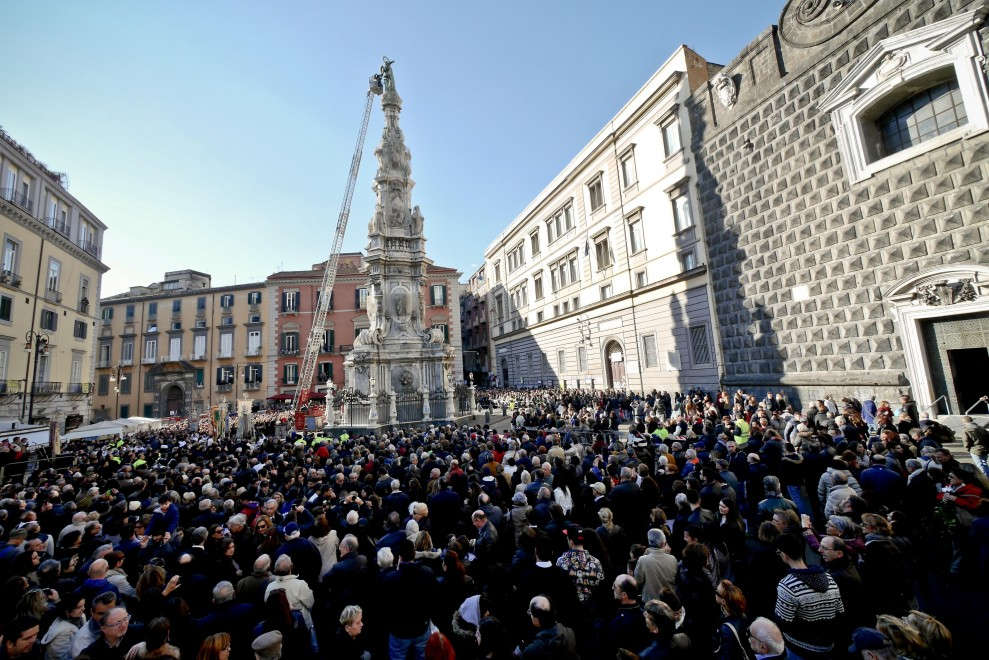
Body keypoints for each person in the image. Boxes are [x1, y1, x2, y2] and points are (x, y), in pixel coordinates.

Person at [773, 533, 844, 658]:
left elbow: (783, 622)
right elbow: (840, 612)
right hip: (827, 647)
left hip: (800, 648)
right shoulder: (829, 578)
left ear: (784, 555)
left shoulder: (787, 585)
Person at [634, 528, 677, 603]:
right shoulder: (673, 559)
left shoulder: (643, 560)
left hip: (651, 604)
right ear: (664, 543)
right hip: (669, 603)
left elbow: (637, 582)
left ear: (649, 541)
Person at [39, 594, 85, 660]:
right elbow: (57, 656)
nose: (83, 609)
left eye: (83, 605)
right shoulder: (65, 631)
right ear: (67, 611)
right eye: (79, 607)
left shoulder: (80, 616)